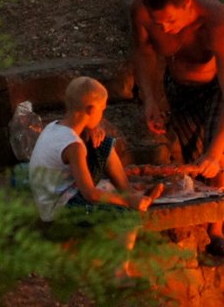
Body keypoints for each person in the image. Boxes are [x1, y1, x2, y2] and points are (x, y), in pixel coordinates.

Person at [131, 0, 224, 257]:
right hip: (179, 82)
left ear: (188, 3)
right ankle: (193, 218)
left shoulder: (215, 21)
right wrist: (150, 98)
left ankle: (216, 232)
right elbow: (144, 53)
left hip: (220, 86)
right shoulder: (141, 12)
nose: (165, 28)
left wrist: (214, 152)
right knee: (189, 156)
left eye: (171, 21)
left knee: (217, 154)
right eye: (158, 22)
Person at [29, 76, 155, 223]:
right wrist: (126, 202)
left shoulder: (54, 126)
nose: (102, 115)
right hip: (59, 209)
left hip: (61, 194)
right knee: (129, 218)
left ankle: (129, 192)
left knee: (102, 144)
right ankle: (123, 239)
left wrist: (91, 126)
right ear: (91, 110)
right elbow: (90, 194)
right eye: (102, 110)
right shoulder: (73, 146)